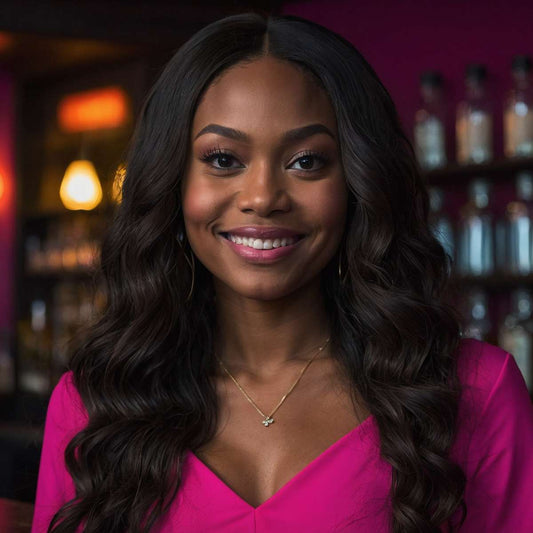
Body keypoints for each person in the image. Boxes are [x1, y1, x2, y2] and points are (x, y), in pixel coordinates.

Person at [31, 12, 533, 533]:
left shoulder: (475, 392)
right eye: (223, 159)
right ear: (173, 182)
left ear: (358, 183)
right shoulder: (94, 404)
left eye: (307, 161)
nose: (263, 197)